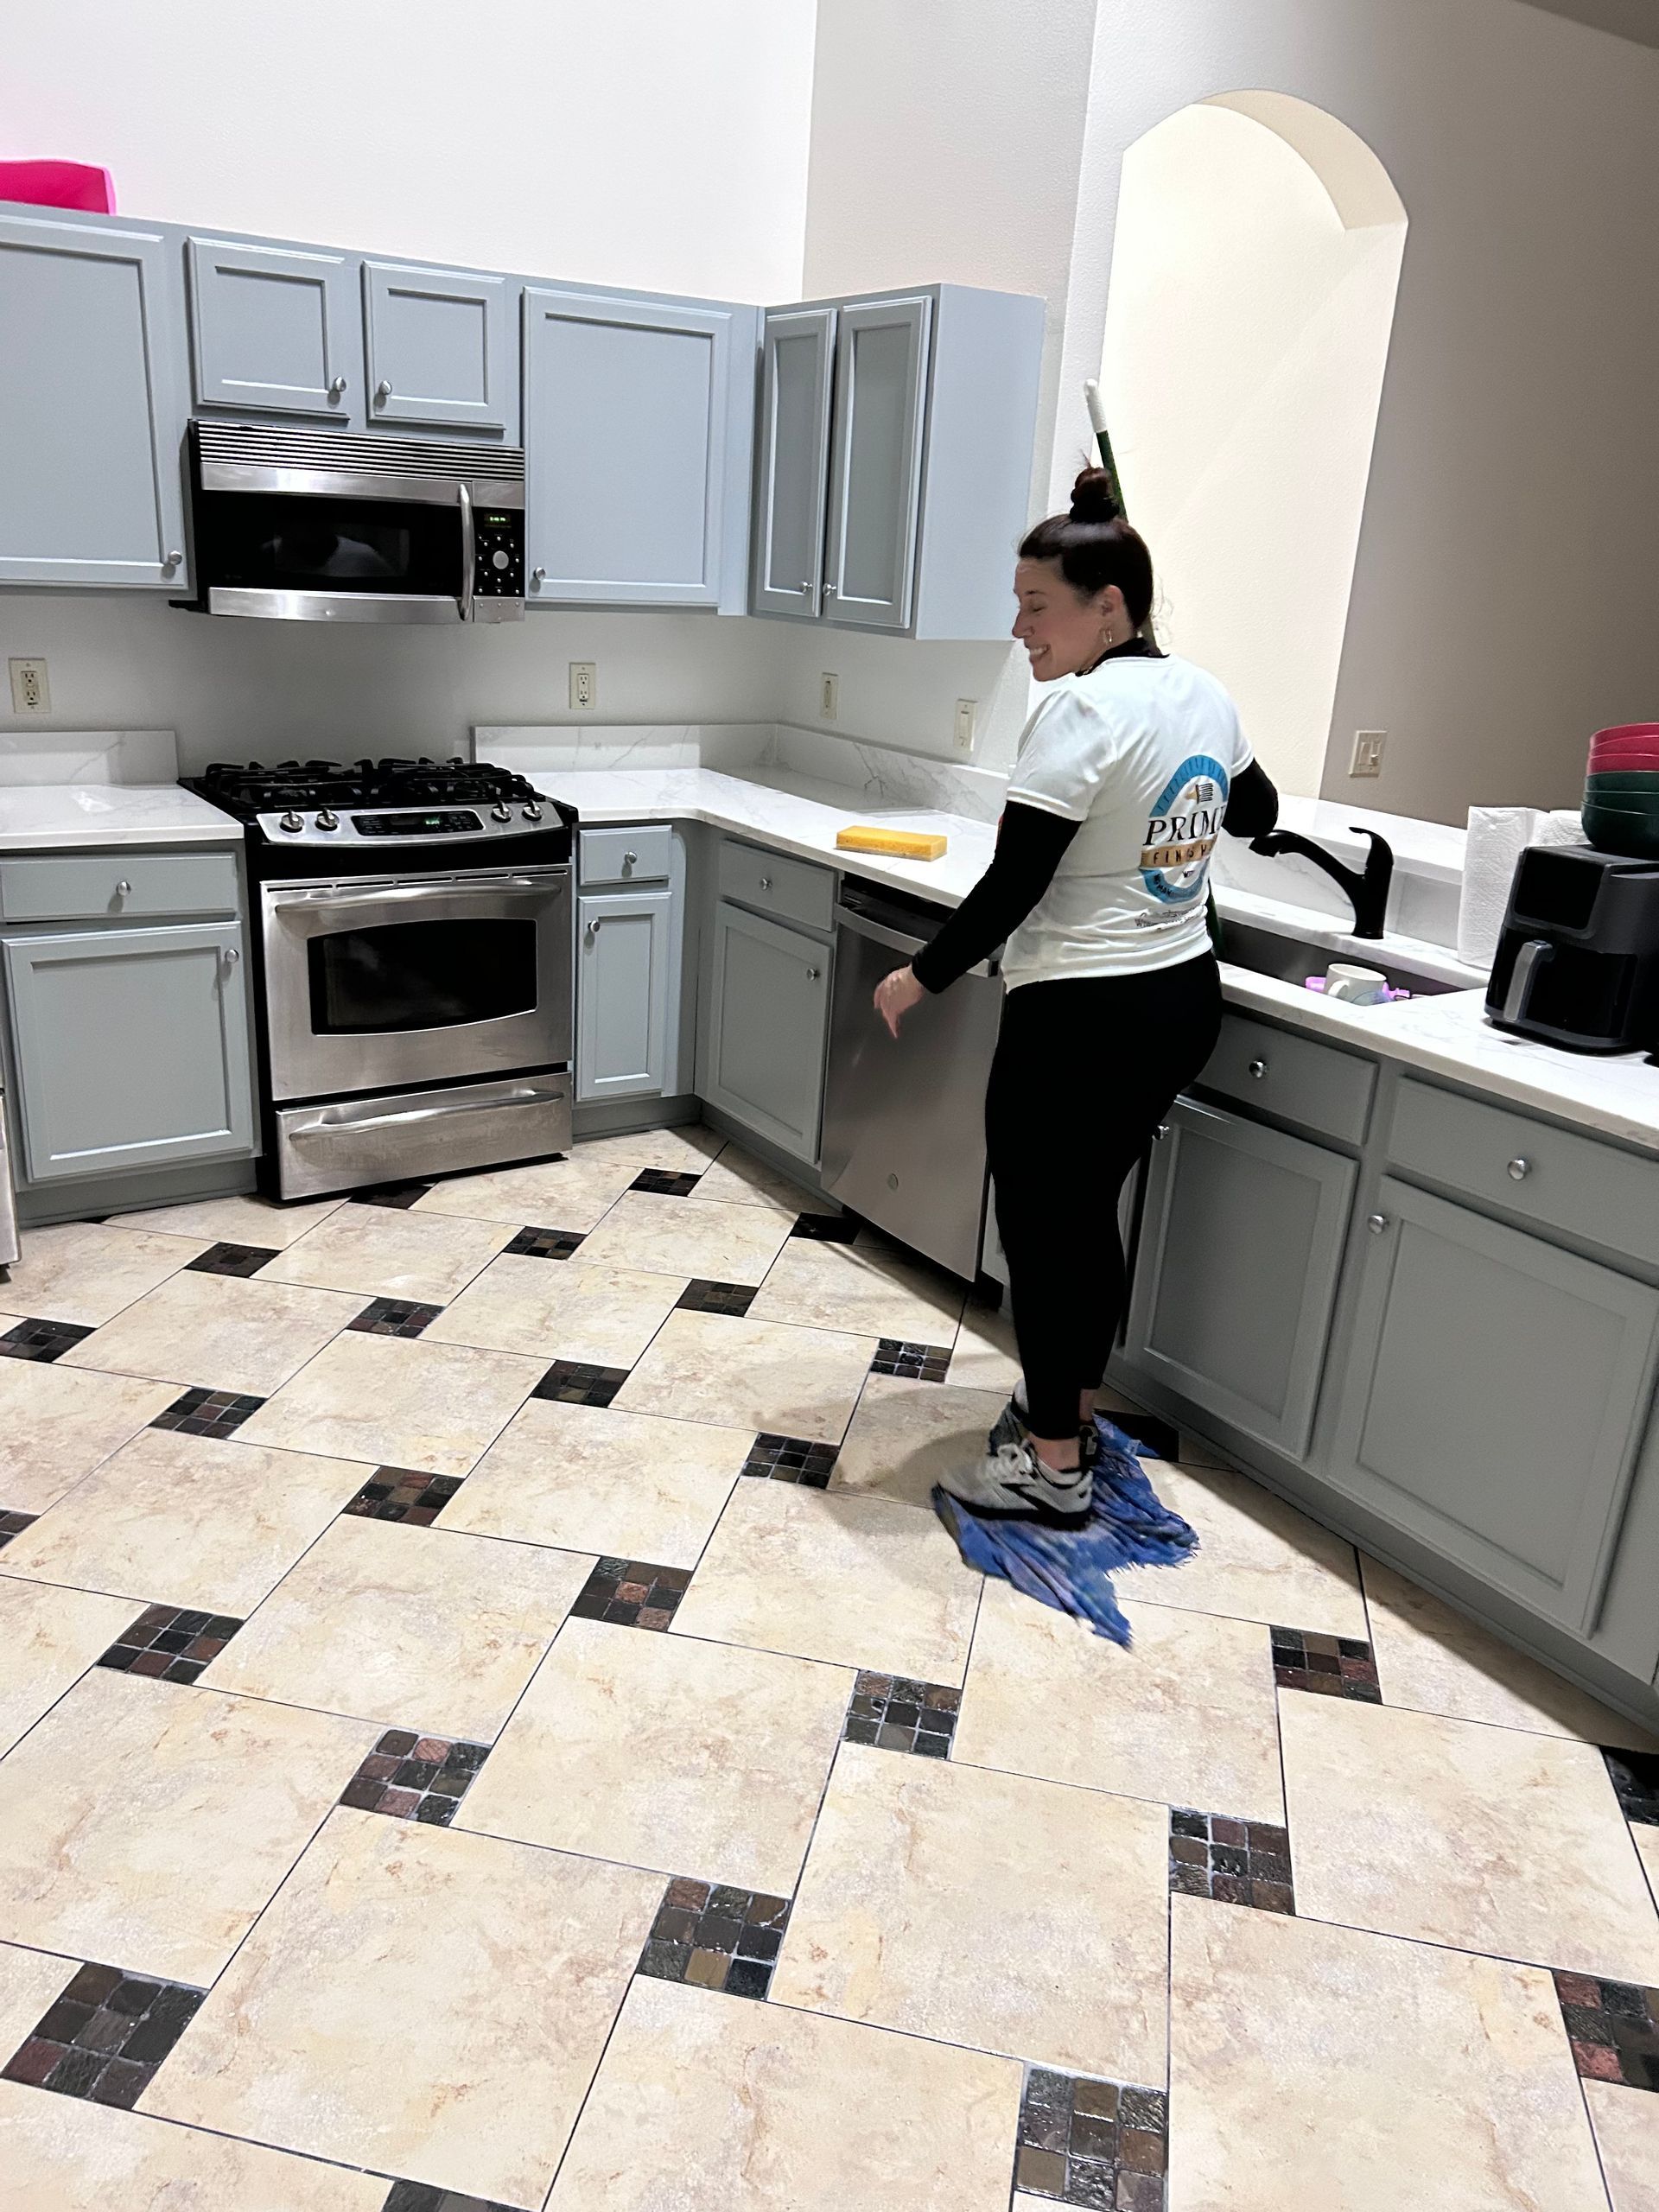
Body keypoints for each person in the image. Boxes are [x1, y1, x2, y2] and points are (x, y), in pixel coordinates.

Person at [873, 467, 1278, 1522]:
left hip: (1081, 1016)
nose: (1019, 627)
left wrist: (923, 972)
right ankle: (1071, 1414)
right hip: (1177, 1001)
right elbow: (1258, 807)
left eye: (1036, 605)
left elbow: (1018, 880)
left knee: (1046, 1240)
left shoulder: (1082, 710)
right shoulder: (1203, 691)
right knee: (1084, 1222)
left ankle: (1050, 1471)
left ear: (1111, 605)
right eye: (1018, 603)